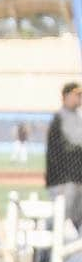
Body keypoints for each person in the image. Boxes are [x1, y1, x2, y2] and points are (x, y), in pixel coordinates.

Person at [45, 81, 82, 231]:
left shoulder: (75, 117)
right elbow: (77, 139)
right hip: (64, 182)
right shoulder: (63, 117)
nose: (80, 98)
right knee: (59, 217)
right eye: (77, 95)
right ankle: (43, 252)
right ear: (66, 96)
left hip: (74, 180)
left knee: (77, 218)